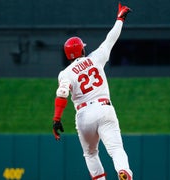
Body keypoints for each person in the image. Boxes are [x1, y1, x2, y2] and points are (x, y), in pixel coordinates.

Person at [51, 2, 133, 180]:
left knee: (90, 154)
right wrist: (120, 18)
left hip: (83, 115)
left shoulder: (65, 73)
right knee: (116, 149)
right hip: (104, 108)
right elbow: (110, 39)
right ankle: (124, 171)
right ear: (82, 49)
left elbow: (62, 94)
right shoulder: (95, 58)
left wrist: (56, 119)